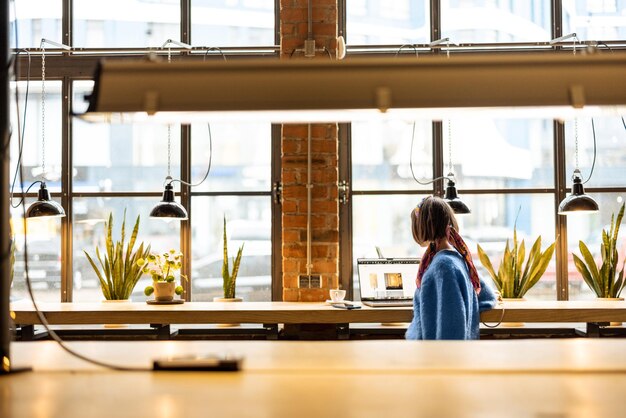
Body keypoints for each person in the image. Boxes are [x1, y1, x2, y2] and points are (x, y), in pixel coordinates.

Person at [405, 196, 498, 340]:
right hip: (456, 353)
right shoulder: (459, 257)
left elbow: (451, 328)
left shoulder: (442, 267)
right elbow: (487, 296)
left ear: (424, 226)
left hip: (440, 356)